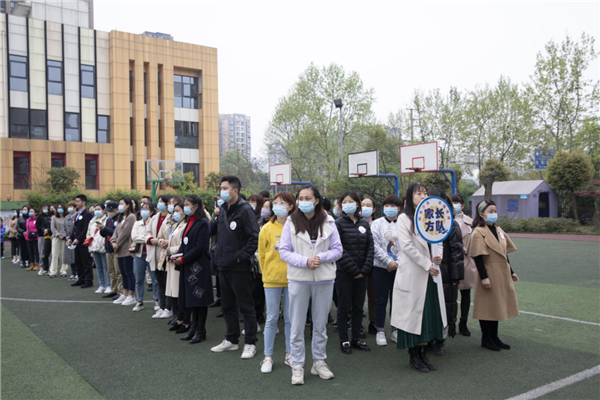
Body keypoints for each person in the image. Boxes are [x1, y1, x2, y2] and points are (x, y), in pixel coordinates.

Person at [279, 185, 342, 385]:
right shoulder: (291, 221)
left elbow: (338, 250)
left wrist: (321, 257)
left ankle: (319, 362)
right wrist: (304, 261)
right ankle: (297, 365)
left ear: (316, 200)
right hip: (299, 278)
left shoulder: (329, 221)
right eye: (301, 198)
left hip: (324, 278)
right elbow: (284, 251)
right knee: (297, 325)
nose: (303, 201)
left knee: (320, 324)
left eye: (308, 198)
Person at [390, 183, 447, 374]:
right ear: (410, 197)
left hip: (431, 274)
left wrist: (438, 257)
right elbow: (406, 246)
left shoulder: (431, 215)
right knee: (413, 315)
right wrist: (427, 264)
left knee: (428, 315)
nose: (423, 196)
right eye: (418, 193)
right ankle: (414, 355)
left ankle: (423, 353)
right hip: (414, 272)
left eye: (425, 193)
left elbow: (439, 239)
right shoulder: (404, 218)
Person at [210, 176, 260, 360]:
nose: (222, 191)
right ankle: (231, 339)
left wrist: (240, 257)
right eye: (221, 188)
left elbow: (254, 238)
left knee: (246, 306)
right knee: (227, 305)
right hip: (223, 265)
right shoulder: (223, 209)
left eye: (225, 188)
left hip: (239, 267)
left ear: (235, 191)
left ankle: (250, 343)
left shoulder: (245, 210)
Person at [467, 200, 519, 352]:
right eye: (490, 211)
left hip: (501, 272)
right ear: (481, 214)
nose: (494, 214)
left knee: (496, 305)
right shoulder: (478, 232)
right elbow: (477, 257)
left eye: (495, 211)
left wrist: (511, 272)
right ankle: (486, 338)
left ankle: (494, 337)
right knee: (486, 307)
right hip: (488, 272)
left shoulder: (498, 229)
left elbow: (504, 253)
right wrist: (484, 277)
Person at [258, 192, 296, 373]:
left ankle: (290, 354)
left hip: (293, 279)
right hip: (271, 279)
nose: (278, 205)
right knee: (271, 318)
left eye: (283, 202)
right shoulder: (266, 228)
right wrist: (266, 272)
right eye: (276, 202)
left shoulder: (296, 226)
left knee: (290, 319)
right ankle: (268, 357)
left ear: (291, 206)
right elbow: (261, 255)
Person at [334, 191, 374, 354]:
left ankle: (356, 338)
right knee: (344, 307)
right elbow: (338, 249)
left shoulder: (364, 223)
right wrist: (354, 269)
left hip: (362, 273)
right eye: (344, 202)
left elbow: (370, 247)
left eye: (351, 201)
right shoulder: (338, 223)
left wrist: (364, 269)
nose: (347, 204)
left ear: (357, 204)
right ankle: (344, 340)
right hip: (344, 273)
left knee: (358, 307)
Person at [173, 195, 214, 344]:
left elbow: (200, 247)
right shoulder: (189, 222)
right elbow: (184, 244)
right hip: (188, 266)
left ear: (196, 206)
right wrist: (177, 255)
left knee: (199, 299)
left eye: (187, 204)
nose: (185, 207)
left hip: (199, 267)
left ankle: (200, 331)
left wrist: (183, 259)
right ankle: (193, 328)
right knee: (191, 298)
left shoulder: (203, 223)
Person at [428, 189, 464, 356]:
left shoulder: (451, 224)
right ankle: (428, 338)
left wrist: (456, 276)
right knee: (430, 307)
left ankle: (440, 340)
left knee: (447, 306)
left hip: (446, 273)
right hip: (427, 271)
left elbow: (457, 252)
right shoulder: (423, 223)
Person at [371, 195, 403, 346]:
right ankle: (380, 330)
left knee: (397, 300)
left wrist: (398, 262)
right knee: (381, 299)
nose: (389, 208)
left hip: (400, 267)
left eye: (393, 206)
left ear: (399, 208)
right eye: (387, 205)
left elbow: (407, 245)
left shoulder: (404, 224)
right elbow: (375, 245)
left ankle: (395, 330)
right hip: (381, 267)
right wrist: (388, 261)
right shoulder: (376, 223)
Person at [451, 194, 477, 337]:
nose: (455, 205)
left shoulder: (471, 222)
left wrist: (468, 250)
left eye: (457, 203)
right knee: (451, 294)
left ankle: (463, 322)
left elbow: (476, 242)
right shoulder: (445, 220)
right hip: (451, 261)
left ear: (462, 205)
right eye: (452, 202)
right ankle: (451, 322)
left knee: (466, 293)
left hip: (467, 261)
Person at [131, 202, 159, 311]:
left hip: (151, 253)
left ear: (151, 212)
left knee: (154, 278)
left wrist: (147, 238)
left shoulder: (154, 223)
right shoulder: (137, 223)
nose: (143, 211)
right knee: (139, 278)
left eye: (146, 209)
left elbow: (155, 237)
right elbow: (134, 237)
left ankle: (156, 300)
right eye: (142, 209)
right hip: (139, 254)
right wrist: (148, 239)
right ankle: (139, 301)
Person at [147, 195, 172, 318]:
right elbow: (147, 231)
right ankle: (162, 307)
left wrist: (159, 240)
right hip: (155, 252)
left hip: (165, 251)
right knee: (160, 281)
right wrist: (150, 239)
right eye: (158, 201)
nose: (159, 204)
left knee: (168, 282)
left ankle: (169, 307)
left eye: (162, 202)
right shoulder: (155, 217)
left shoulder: (171, 218)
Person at [164, 202, 187, 329]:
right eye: (175, 211)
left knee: (177, 289)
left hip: (178, 260)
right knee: (172, 289)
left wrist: (169, 250)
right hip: (171, 260)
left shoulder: (185, 226)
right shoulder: (176, 225)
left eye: (178, 210)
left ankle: (180, 316)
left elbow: (182, 245)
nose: (175, 213)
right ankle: (176, 314)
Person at [110, 197, 137, 305]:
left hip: (126, 249)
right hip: (119, 250)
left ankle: (131, 295)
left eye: (122, 204)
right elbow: (115, 232)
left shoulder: (131, 217)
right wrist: (113, 241)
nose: (120, 206)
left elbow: (126, 233)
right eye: (119, 204)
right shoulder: (120, 217)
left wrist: (117, 244)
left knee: (129, 273)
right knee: (123, 273)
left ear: (128, 205)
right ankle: (124, 293)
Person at [248, 193, 267, 328]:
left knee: (261, 291)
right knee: (254, 290)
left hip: (265, 261)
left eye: (254, 201)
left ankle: (261, 316)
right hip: (253, 260)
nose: (251, 204)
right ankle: (256, 316)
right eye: (250, 201)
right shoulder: (249, 218)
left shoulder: (265, 222)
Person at [68, 195, 94, 288]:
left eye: (78, 201)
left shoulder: (87, 214)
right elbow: (75, 229)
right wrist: (71, 238)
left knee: (86, 262)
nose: (76, 203)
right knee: (78, 262)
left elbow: (86, 229)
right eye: (76, 201)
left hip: (83, 242)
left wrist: (78, 239)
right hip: (76, 243)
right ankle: (81, 279)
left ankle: (89, 281)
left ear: (84, 202)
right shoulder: (77, 214)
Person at [360, 197, 378, 335]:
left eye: (368, 205)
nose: (364, 207)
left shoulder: (377, 224)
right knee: (358, 297)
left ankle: (374, 321)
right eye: (362, 205)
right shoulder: (355, 223)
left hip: (374, 265)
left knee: (374, 296)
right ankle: (358, 323)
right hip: (358, 265)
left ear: (374, 209)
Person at [98, 202, 122, 298]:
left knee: (118, 271)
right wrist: (101, 229)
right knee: (111, 271)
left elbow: (115, 233)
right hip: (108, 247)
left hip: (116, 247)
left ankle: (120, 291)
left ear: (116, 209)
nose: (109, 212)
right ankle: (113, 289)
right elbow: (104, 234)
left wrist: (105, 228)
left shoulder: (119, 219)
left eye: (110, 210)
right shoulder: (109, 219)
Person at [88, 204, 110, 293]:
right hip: (94, 246)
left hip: (103, 245)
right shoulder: (92, 221)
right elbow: (89, 233)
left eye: (99, 209)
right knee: (99, 267)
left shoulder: (107, 220)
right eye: (95, 209)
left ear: (104, 210)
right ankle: (102, 285)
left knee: (106, 267)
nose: (97, 211)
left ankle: (109, 285)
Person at [48, 204, 67, 278]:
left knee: (64, 255)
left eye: (61, 207)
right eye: (58, 207)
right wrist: (58, 235)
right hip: (56, 237)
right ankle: (53, 271)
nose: (59, 209)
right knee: (54, 255)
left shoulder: (66, 217)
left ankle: (63, 270)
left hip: (64, 238)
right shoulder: (54, 218)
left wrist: (64, 235)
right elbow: (52, 228)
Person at [61, 202, 77, 280]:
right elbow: (63, 228)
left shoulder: (78, 216)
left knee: (76, 257)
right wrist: (65, 236)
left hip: (75, 240)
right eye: (69, 206)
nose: (69, 208)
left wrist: (73, 237)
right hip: (68, 240)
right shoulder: (66, 217)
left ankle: (78, 273)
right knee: (69, 258)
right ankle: (73, 273)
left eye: (71, 206)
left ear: (75, 208)